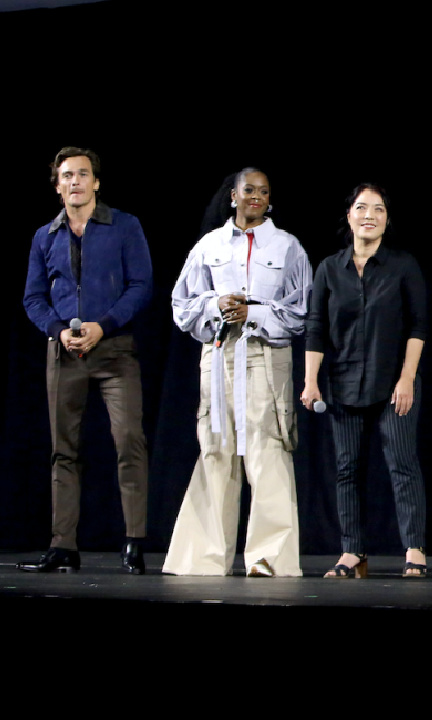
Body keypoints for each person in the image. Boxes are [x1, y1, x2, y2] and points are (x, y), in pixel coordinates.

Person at [164, 168, 311, 577]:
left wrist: (255, 312)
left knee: (269, 450)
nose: (257, 197)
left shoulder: (287, 247)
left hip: (266, 355)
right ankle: (205, 558)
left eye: (264, 192)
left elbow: (301, 310)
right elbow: (182, 305)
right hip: (219, 353)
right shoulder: (208, 246)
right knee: (216, 449)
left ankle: (269, 559)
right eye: (250, 190)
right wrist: (216, 305)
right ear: (233, 195)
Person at [19, 146, 153, 574]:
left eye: (82, 174)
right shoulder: (46, 235)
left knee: (129, 442)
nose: (74, 181)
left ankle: (133, 541)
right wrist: (59, 330)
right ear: (57, 186)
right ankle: (63, 545)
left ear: (96, 182)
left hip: (114, 350)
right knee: (64, 450)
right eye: (66, 176)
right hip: (65, 351)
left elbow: (141, 285)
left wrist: (104, 324)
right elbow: (33, 297)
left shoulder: (124, 226)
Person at [302, 184, 429, 579]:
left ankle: (414, 549)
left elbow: (418, 324)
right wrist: (310, 381)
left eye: (378, 209)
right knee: (347, 469)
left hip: (394, 384)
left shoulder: (402, 265)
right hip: (343, 383)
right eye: (361, 207)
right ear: (349, 217)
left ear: (387, 220)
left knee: (402, 464)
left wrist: (407, 378)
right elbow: (316, 327)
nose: (369, 215)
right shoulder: (329, 269)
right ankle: (353, 552)